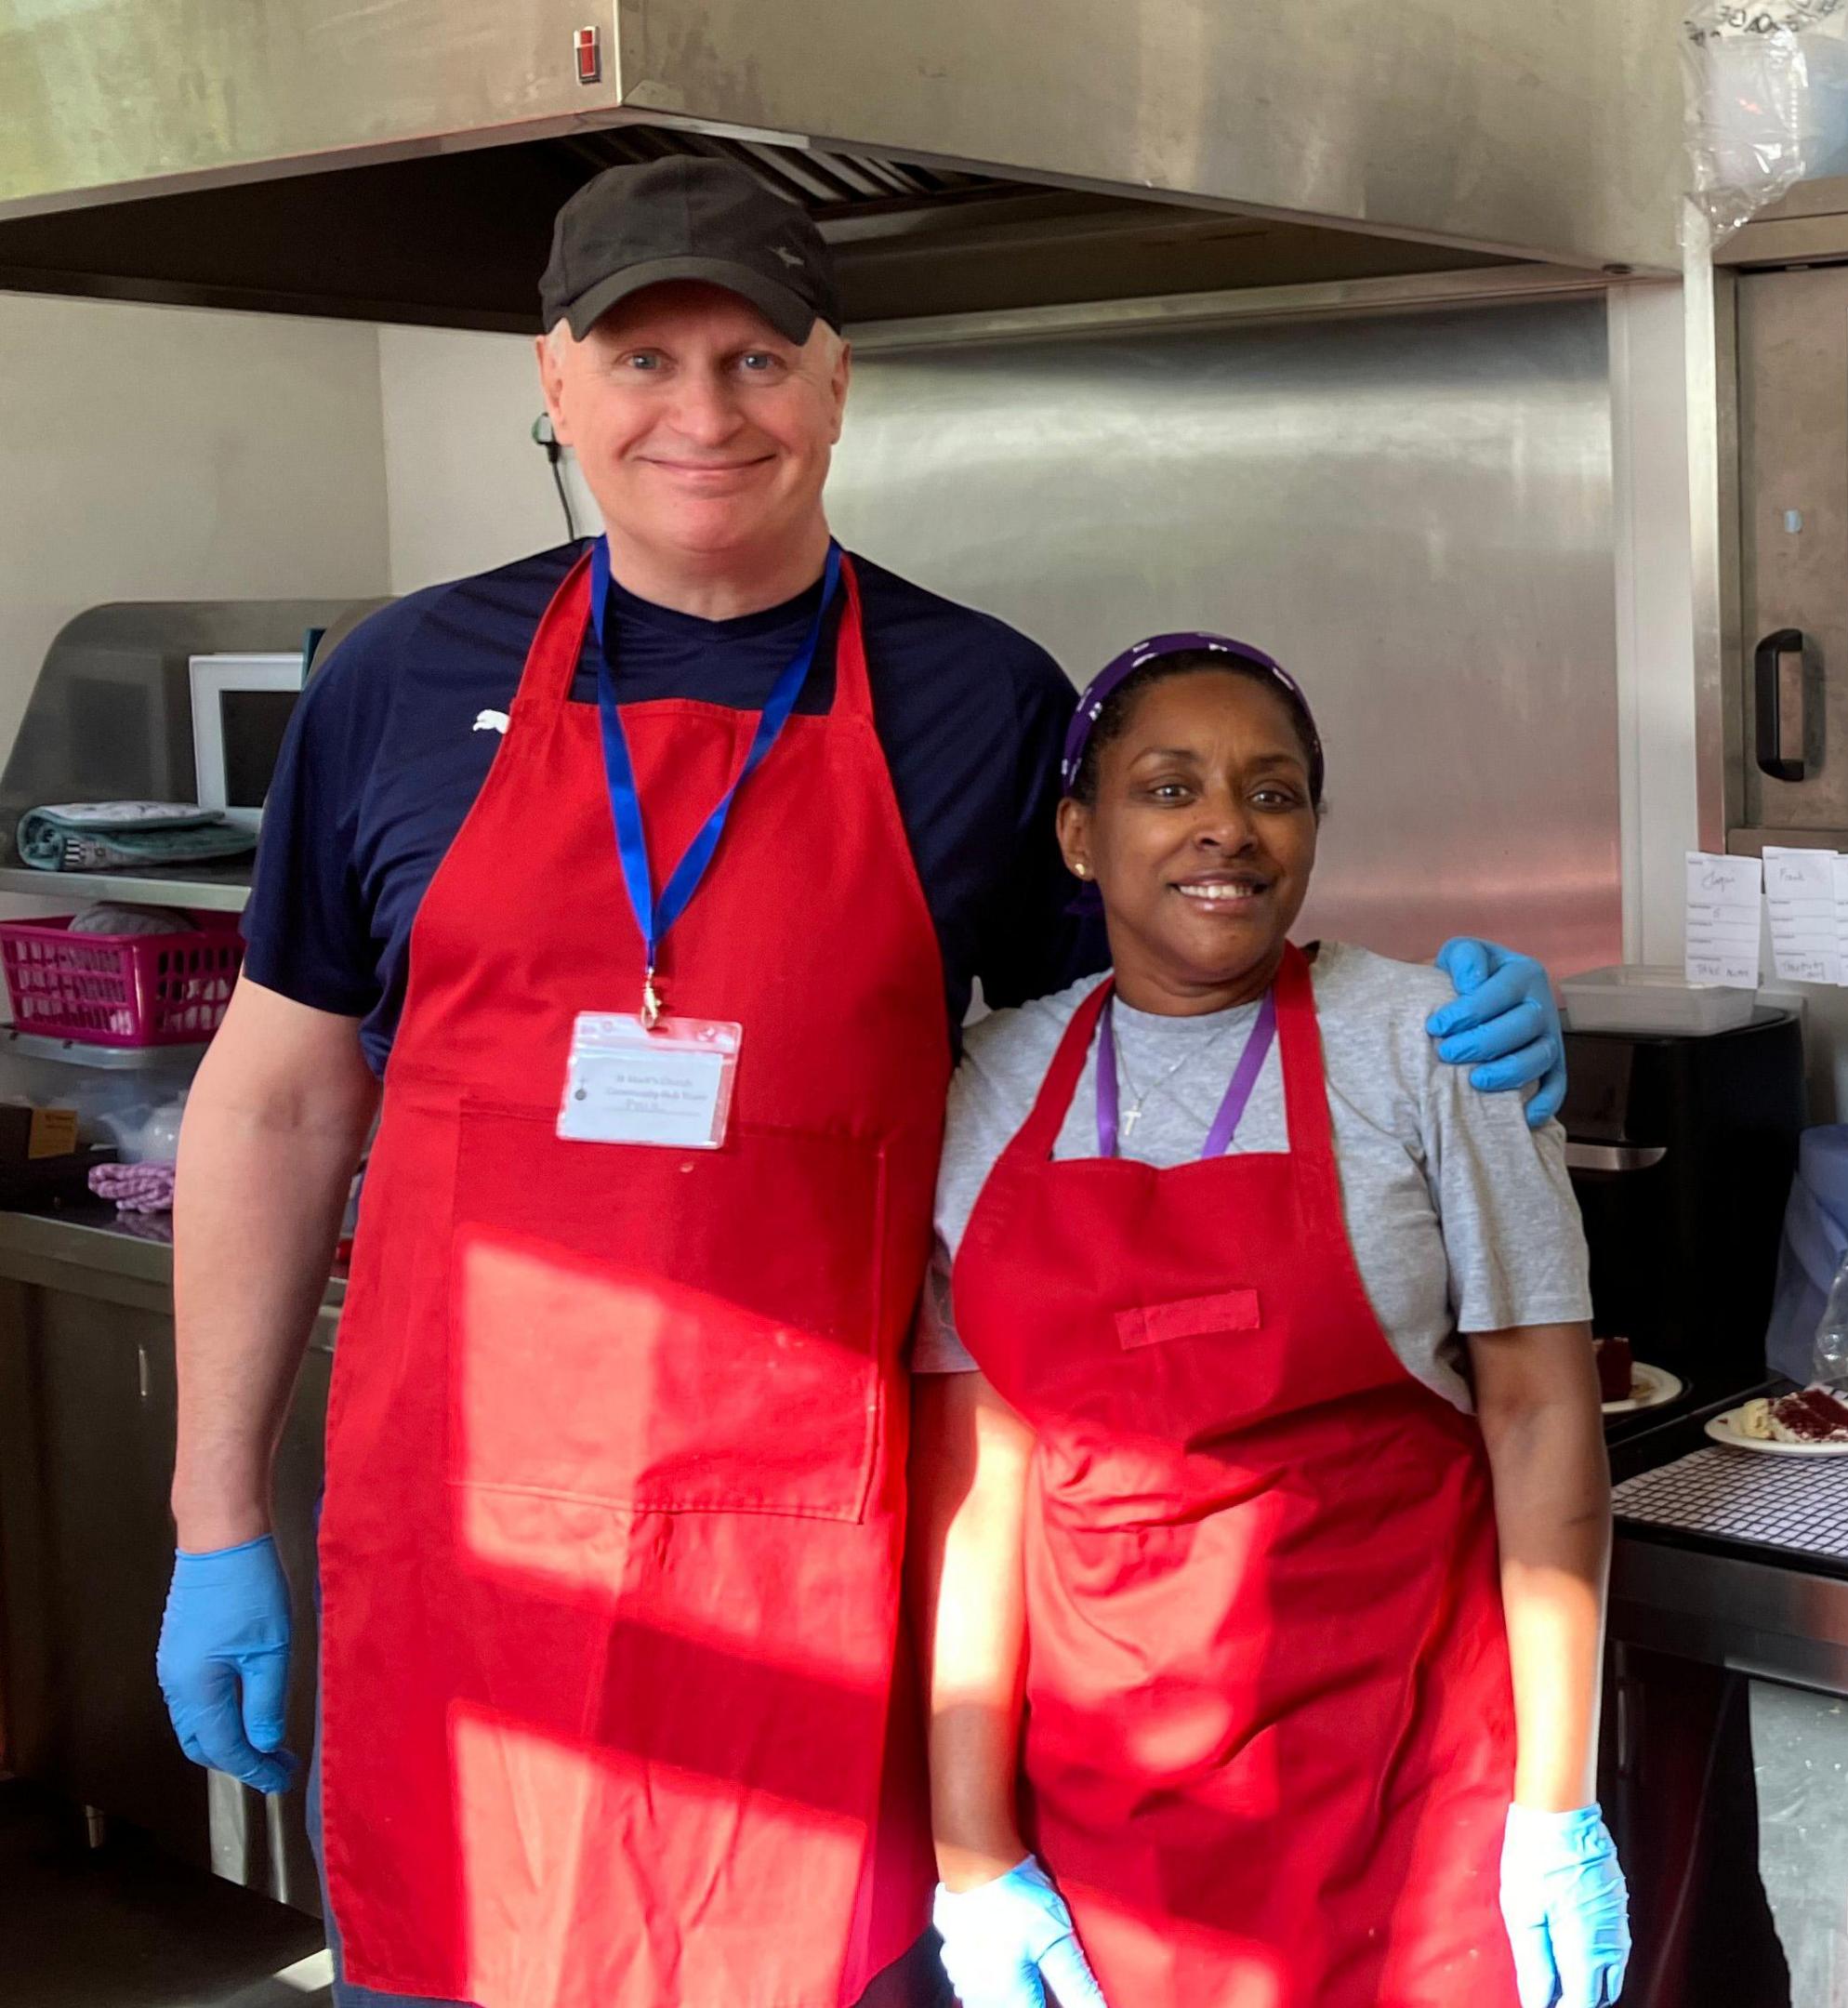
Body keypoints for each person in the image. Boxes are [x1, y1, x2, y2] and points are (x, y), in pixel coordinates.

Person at [150, 160, 1568, 2008]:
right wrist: (212, 1518)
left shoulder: (978, 701)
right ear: (554, 387)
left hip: (820, 1560)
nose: (702, 413)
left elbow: (1151, 1037)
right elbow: (273, 1104)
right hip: (466, 1558)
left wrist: (1430, 1008)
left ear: (836, 384)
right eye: (642, 359)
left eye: (754, 360)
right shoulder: (402, 681)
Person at [909, 636, 1630, 2008]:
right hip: (1104, 1810)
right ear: (1081, 835)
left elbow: (1541, 1416)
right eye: (1168, 789)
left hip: (1409, 1790)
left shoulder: (1434, 1045)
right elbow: (979, 1489)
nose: (1227, 827)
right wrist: (972, 1855)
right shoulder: (989, 1087)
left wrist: (1555, 1810)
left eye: (1275, 791)